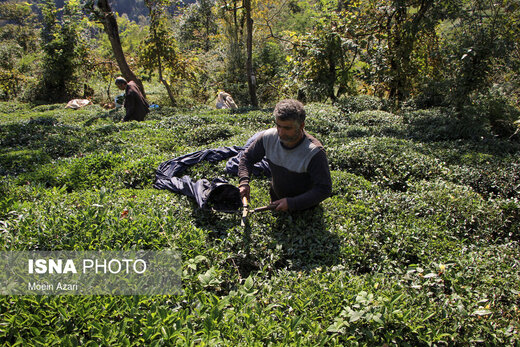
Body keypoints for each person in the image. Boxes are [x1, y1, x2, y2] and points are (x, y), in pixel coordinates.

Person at [238, 99, 332, 212]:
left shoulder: (314, 152)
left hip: (305, 210)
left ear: (301, 125)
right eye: (278, 126)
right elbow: (247, 158)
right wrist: (244, 182)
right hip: (276, 203)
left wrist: (292, 203)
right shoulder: (268, 137)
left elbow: (324, 189)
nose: (281, 133)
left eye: (287, 128)